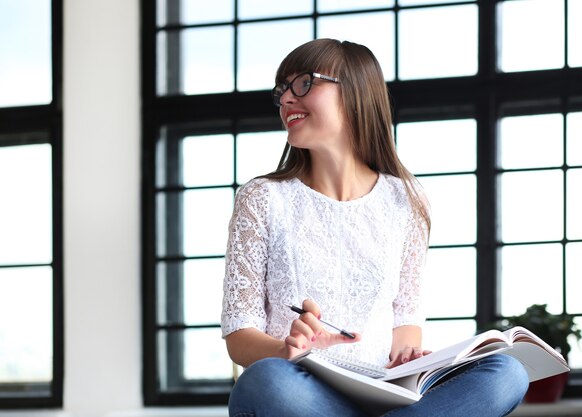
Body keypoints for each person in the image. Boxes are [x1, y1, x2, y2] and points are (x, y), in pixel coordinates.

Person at [221, 38, 528, 417]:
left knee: (507, 372)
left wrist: (407, 356)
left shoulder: (406, 200)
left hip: (383, 393)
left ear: (355, 93)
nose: (285, 99)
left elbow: (406, 319)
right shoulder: (261, 198)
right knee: (264, 381)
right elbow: (239, 336)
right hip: (302, 393)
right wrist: (287, 349)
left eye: (303, 84)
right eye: (281, 90)